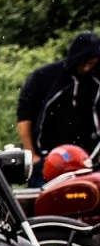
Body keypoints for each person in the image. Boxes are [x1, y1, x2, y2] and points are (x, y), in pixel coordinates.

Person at [17, 31, 100, 183]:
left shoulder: (95, 82)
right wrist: (32, 155)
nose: (87, 68)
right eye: (83, 63)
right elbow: (24, 116)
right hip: (46, 160)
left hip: (86, 162)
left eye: (92, 64)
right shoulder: (45, 77)